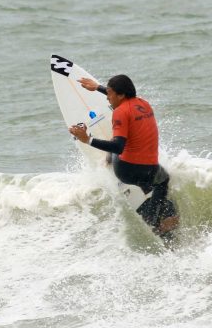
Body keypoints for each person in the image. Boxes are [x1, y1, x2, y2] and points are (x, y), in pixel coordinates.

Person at [68, 74, 179, 239]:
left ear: (120, 95)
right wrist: (97, 87)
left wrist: (87, 139)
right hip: (149, 166)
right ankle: (159, 216)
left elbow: (118, 147)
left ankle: (151, 220)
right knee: (162, 180)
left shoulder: (120, 112)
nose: (107, 97)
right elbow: (121, 97)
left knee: (115, 144)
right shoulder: (143, 103)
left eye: (110, 93)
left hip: (127, 169)